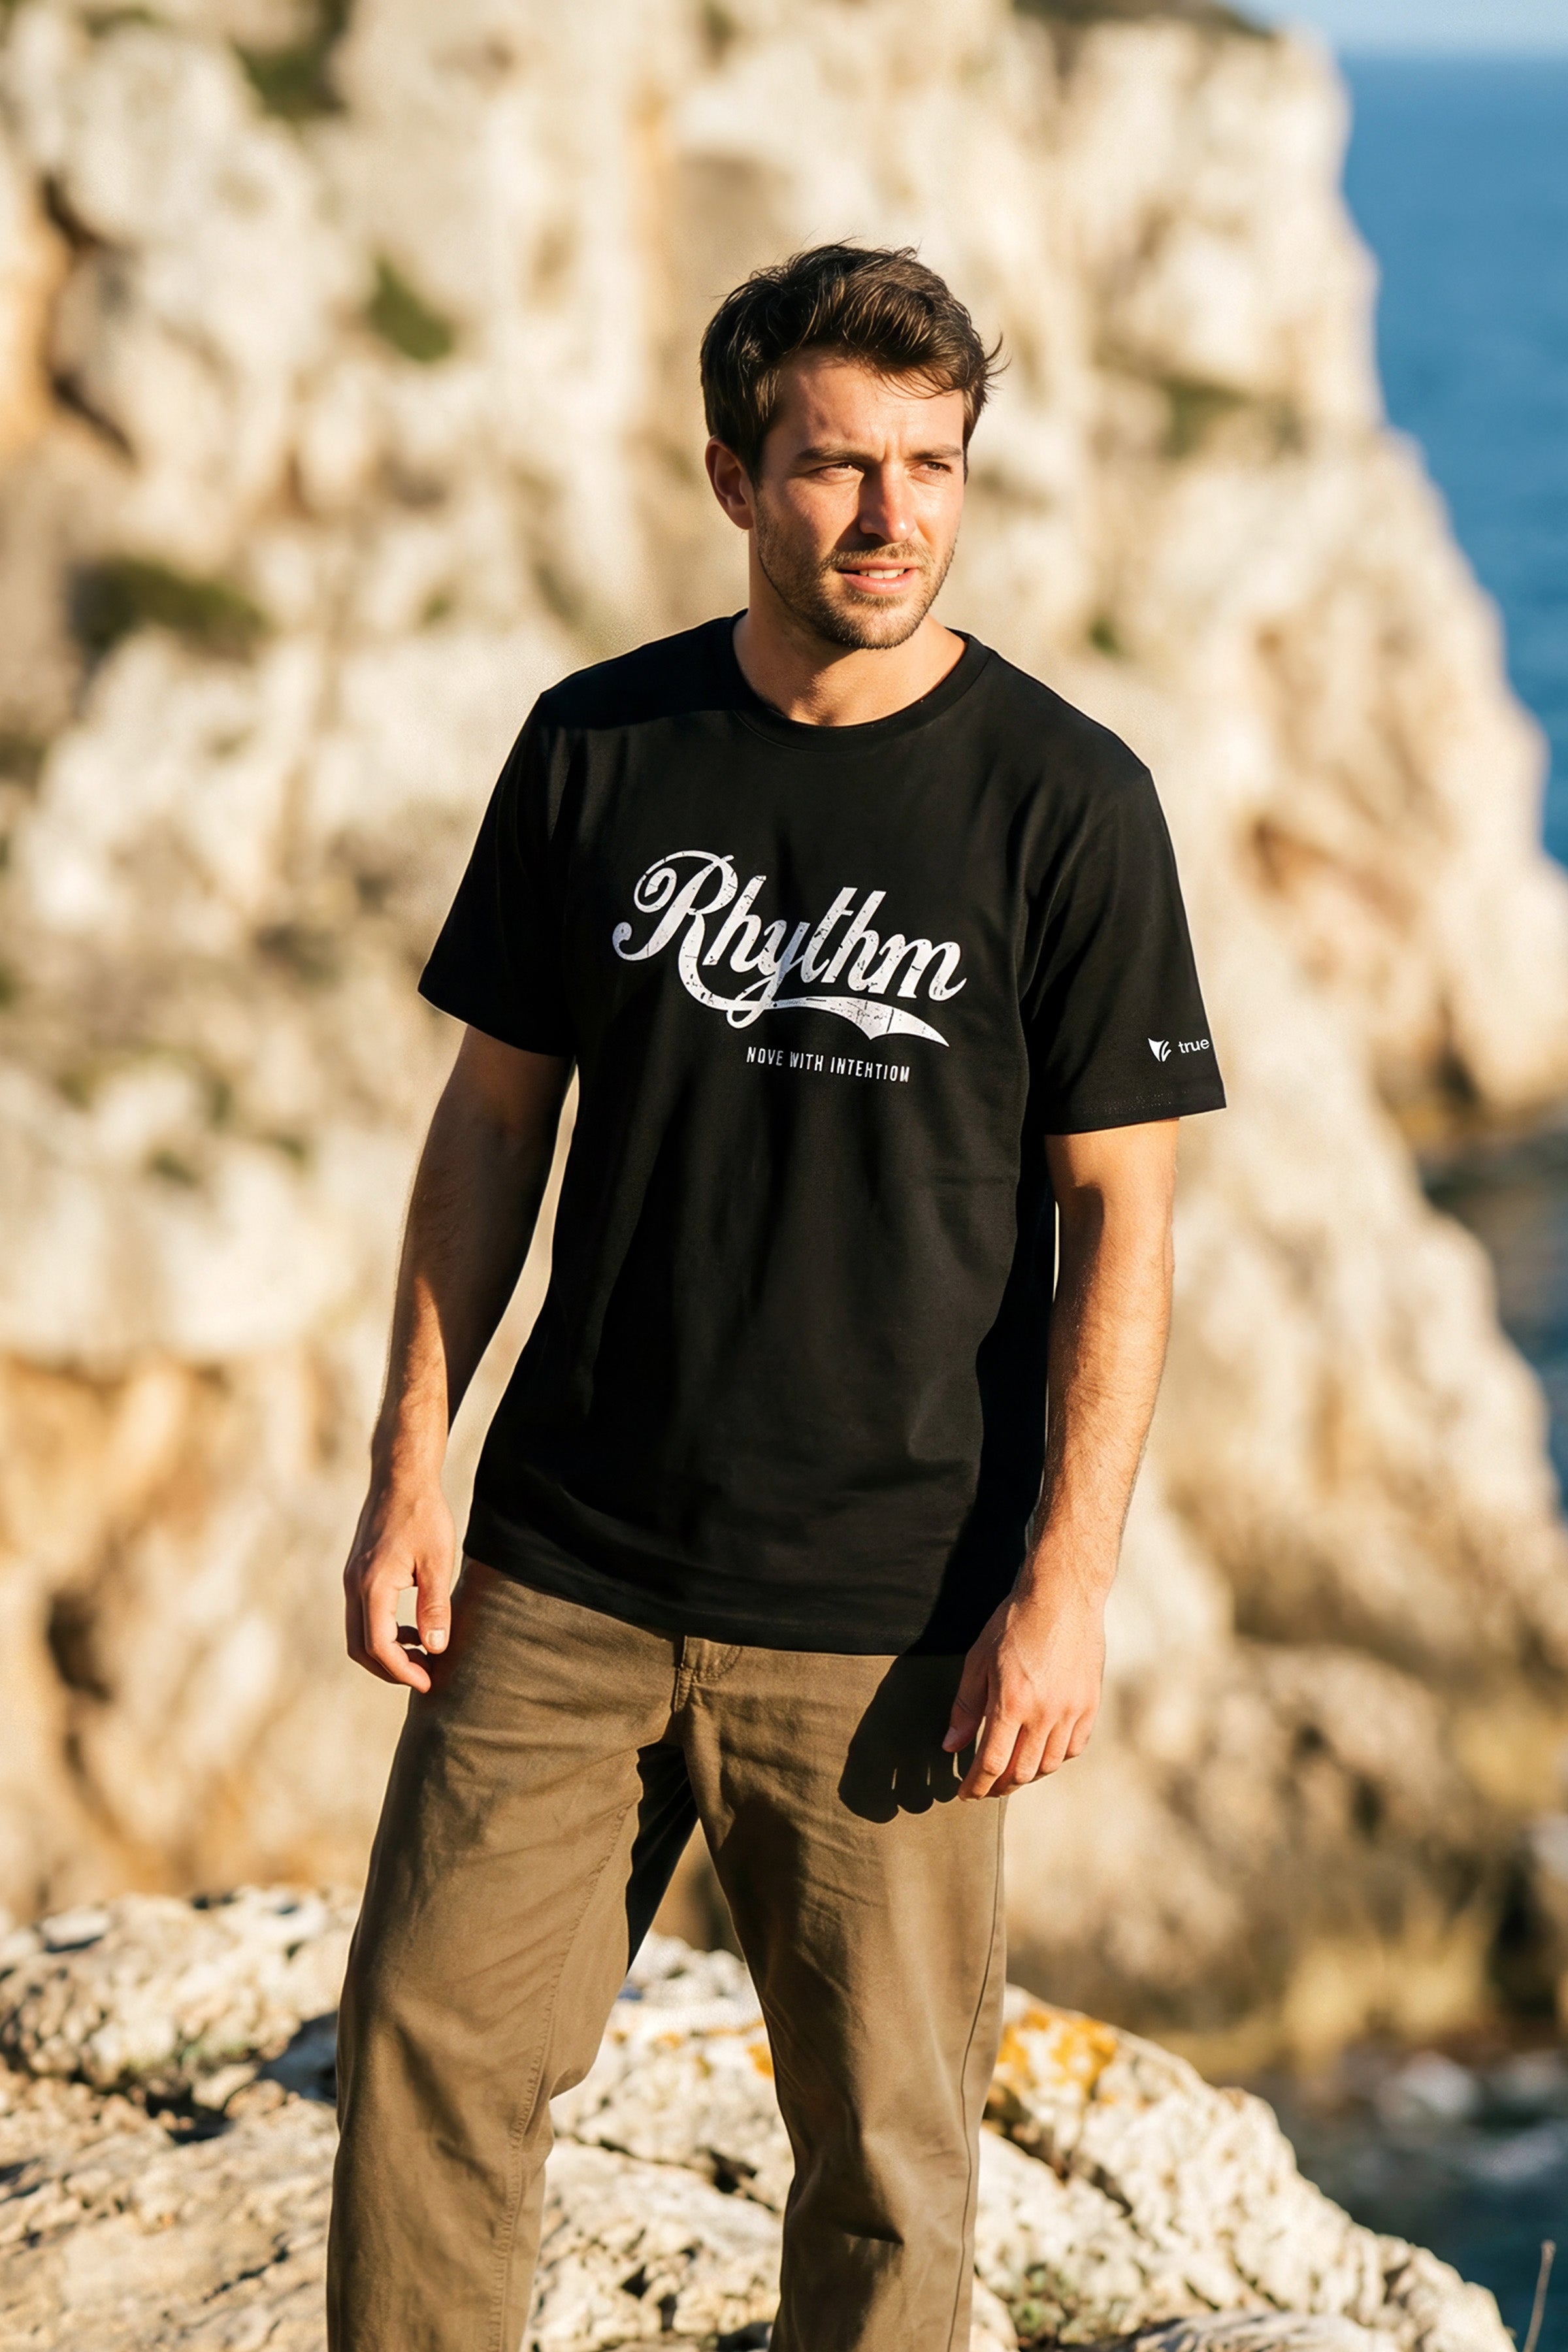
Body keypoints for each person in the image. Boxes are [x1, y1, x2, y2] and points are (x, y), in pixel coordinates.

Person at [327, 242, 1224, 2352]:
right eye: (838, 467)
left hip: (891, 1612)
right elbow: (488, 1126)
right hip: (558, 1571)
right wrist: (408, 1465)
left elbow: (1128, 1229)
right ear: (737, 478)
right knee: (430, 2074)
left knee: (890, 2173)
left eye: (934, 464)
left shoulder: (1068, 804)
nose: (893, 516)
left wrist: (1065, 1586)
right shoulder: (600, 747)